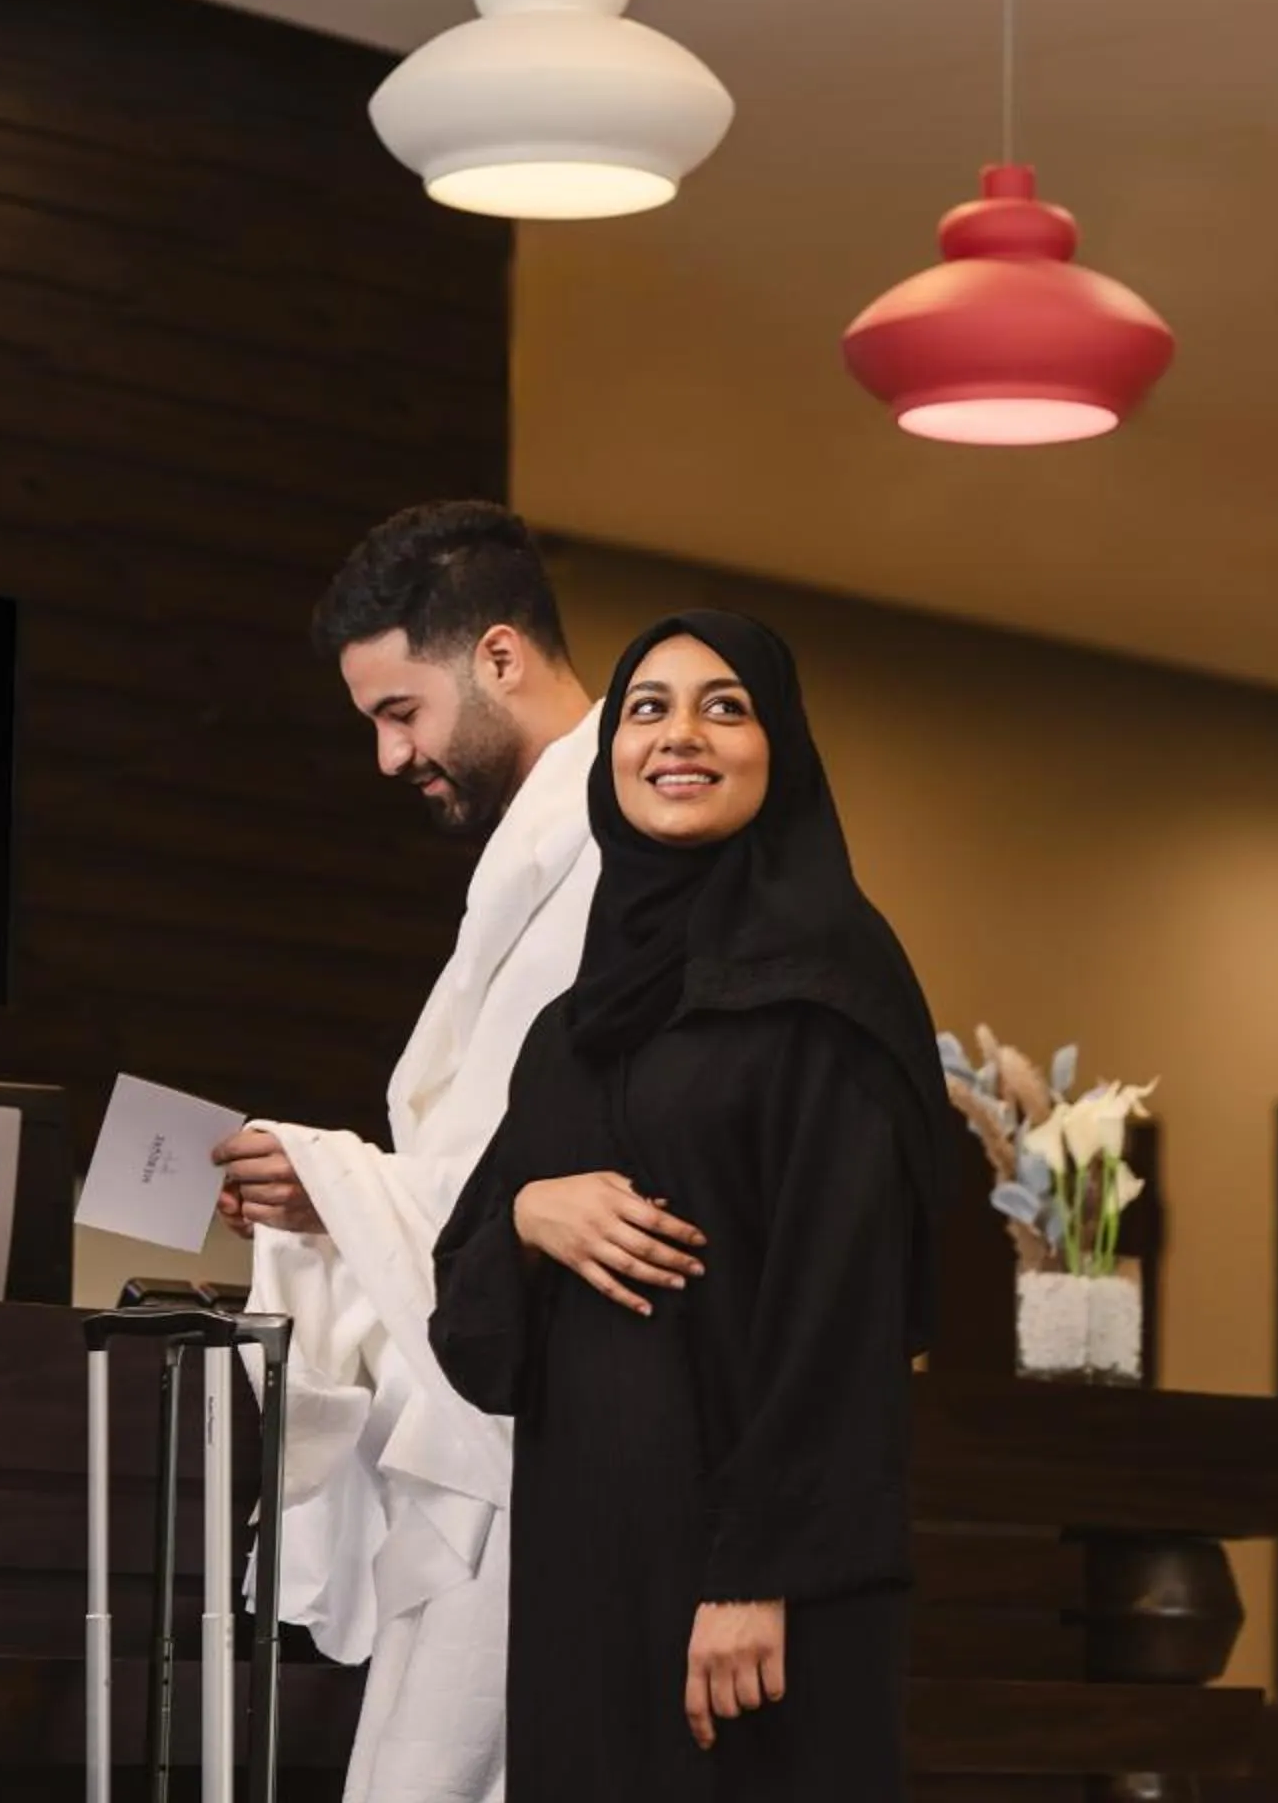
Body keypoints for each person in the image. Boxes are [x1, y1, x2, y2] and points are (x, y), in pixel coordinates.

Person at [429, 611, 957, 1802]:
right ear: (614, 748)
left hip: (759, 1591)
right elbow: (463, 1312)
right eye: (649, 707)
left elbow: (845, 1304)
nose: (682, 734)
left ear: (782, 749)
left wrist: (756, 1575)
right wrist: (527, 1215)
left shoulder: (830, 989)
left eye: (726, 705)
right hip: (587, 1568)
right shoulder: (570, 1032)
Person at [208, 501, 658, 1803]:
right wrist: (333, 1203)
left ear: (500, 659)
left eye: (400, 712)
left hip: (557, 1426)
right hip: (485, 1406)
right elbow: (491, 1167)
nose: (389, 756)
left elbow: (588, 1163)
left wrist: (347, 1184)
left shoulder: (624, 851)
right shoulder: (537, 852)